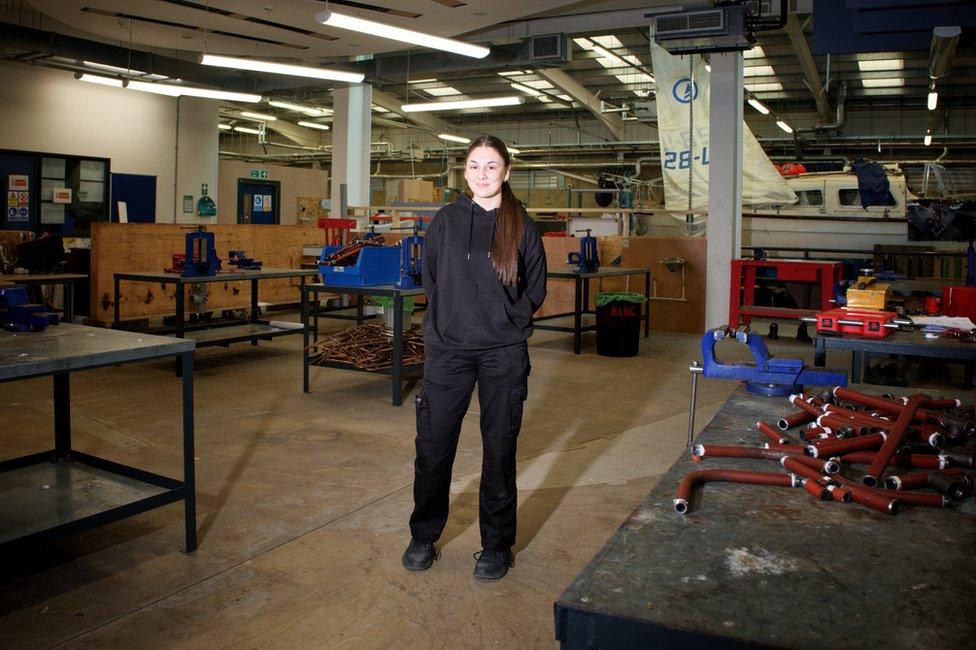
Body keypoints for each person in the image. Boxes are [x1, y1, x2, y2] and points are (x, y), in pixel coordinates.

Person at [402, 135, 548, 580]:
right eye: (472, 166)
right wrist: (450, 322)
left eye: (490, 166)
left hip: (502, 354)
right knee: (432, 446)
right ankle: (424, 534)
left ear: (506, 172)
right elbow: (431, 279)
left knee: (499, 450)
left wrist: (505, 321)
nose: (481, 175)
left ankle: (497, 545)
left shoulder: (522, 225)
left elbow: (535, 290)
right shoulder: (445, 221)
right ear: (463, 172)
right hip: (448, 351)